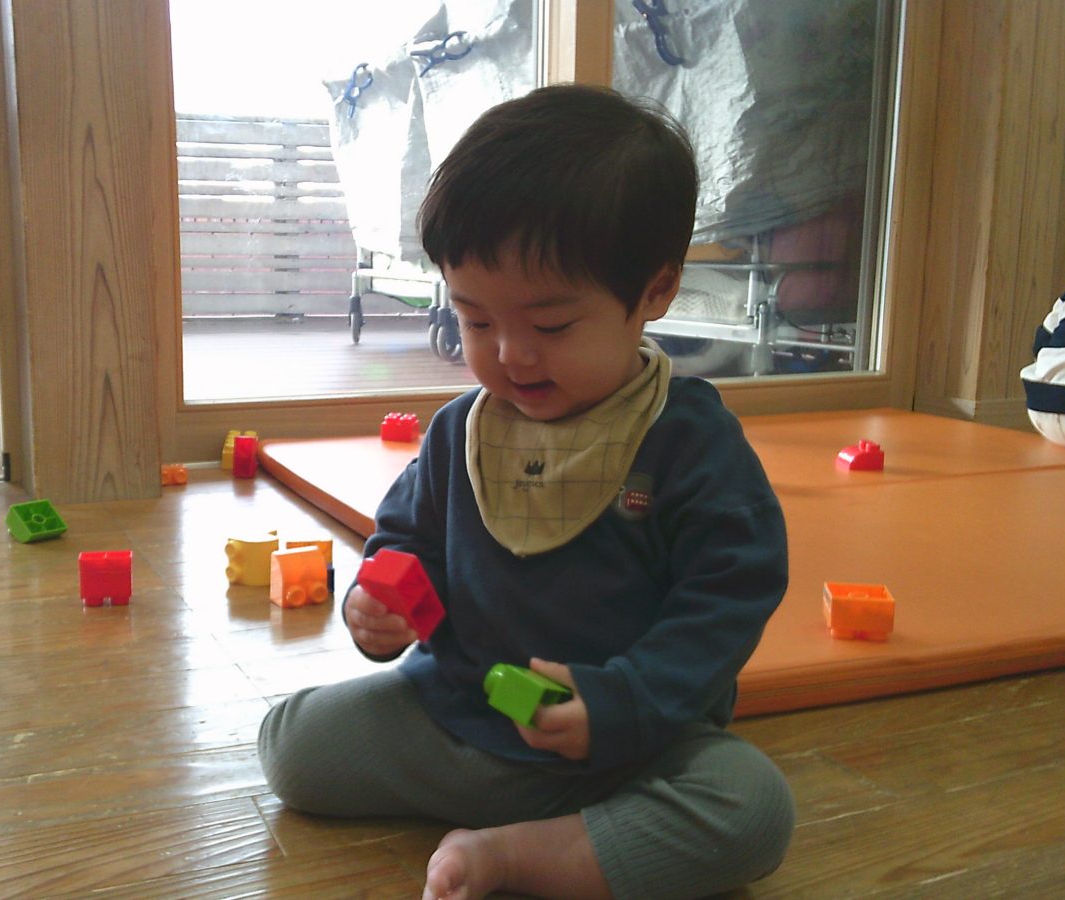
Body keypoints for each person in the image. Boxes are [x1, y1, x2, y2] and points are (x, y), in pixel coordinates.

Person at [258, 83, 794, 900]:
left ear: (655, 291)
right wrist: (380, 606)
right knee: (290, 745)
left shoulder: (687, 441)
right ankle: (586, 836)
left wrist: (625, 700)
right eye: (476, 321)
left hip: (619, 744)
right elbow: (406, 541)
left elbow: (730, 595)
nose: (510, 354)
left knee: (753, 809)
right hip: (458, 714)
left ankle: (520, 854)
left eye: (551, 326)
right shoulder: (461, 432)